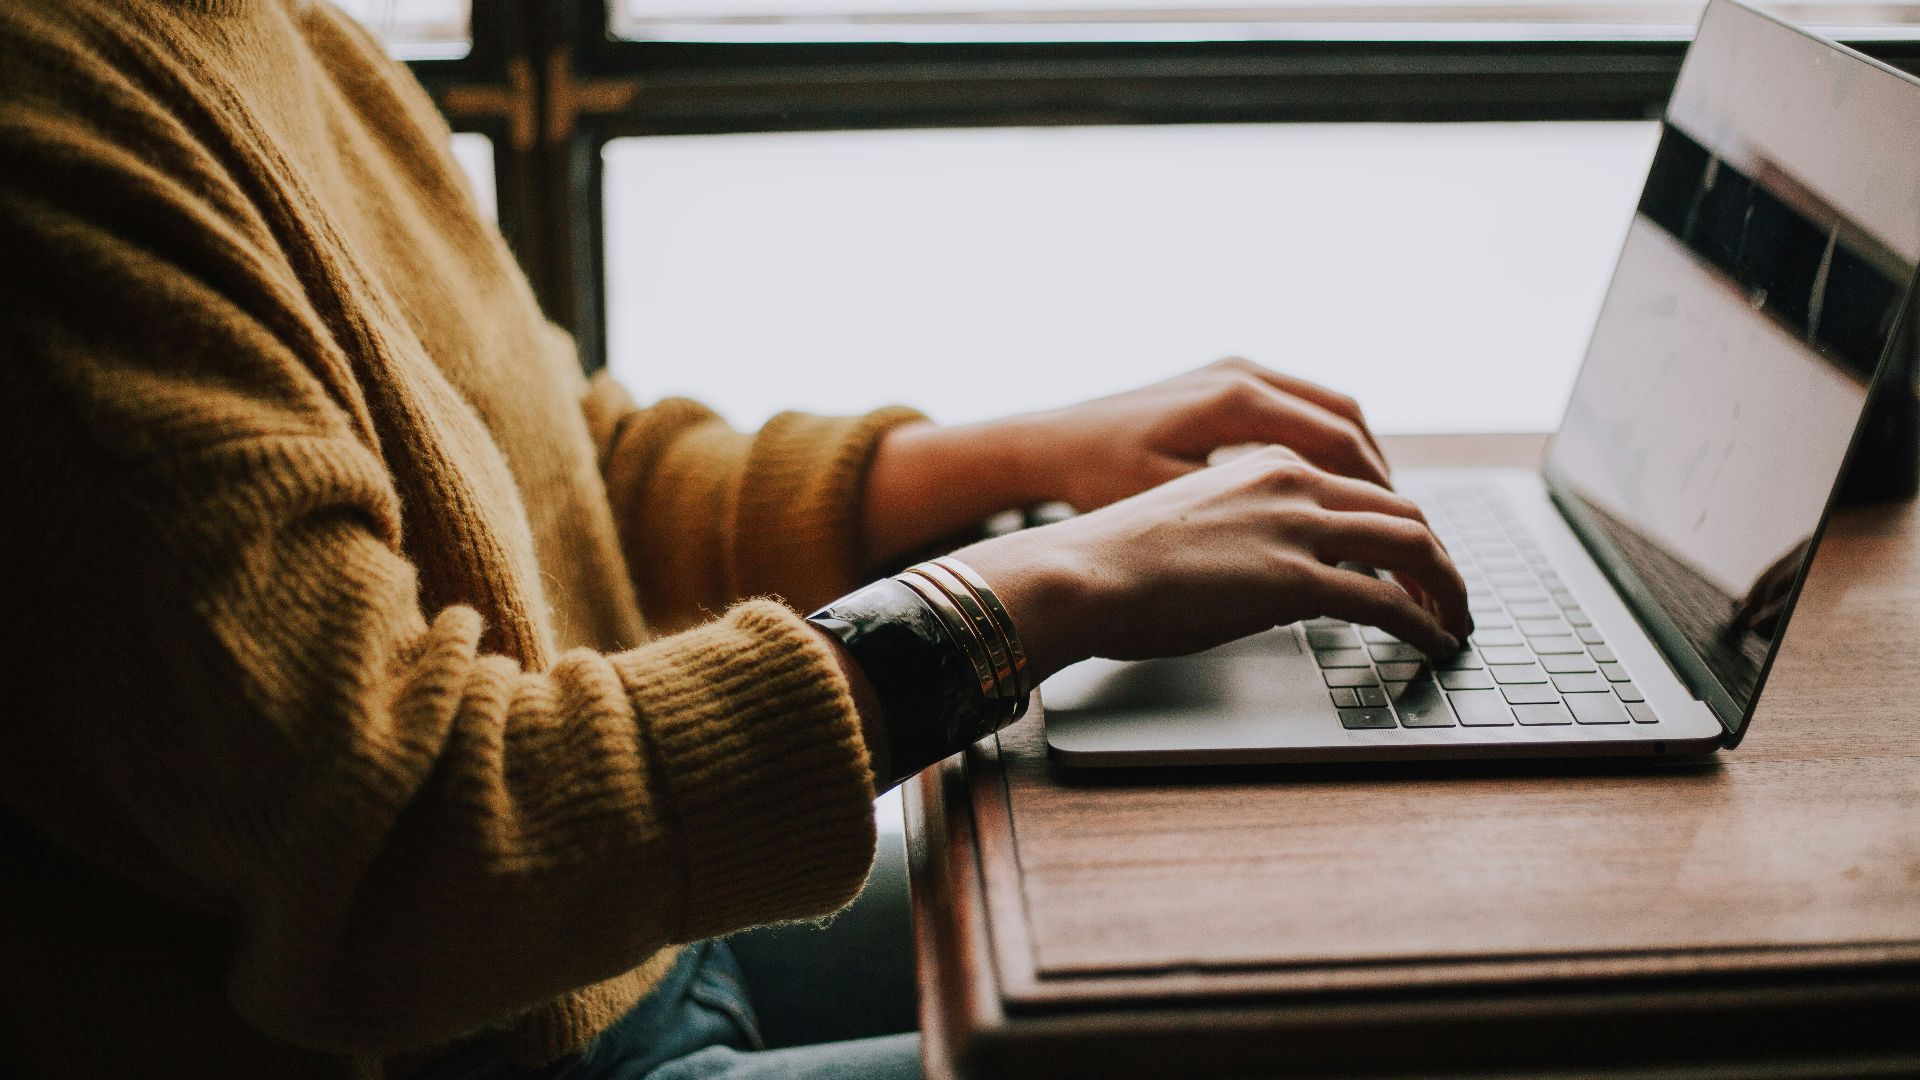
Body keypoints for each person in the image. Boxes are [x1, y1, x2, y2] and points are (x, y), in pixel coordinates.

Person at [0, 1, 1472, 1077]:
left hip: (610, 950)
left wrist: (1026, 460)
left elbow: (566, 473)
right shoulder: (49, 132)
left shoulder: (260, 25)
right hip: (480, 1040)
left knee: (1354, 945)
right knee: (1377, 1047)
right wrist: (1024, 597)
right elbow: (403, 846)